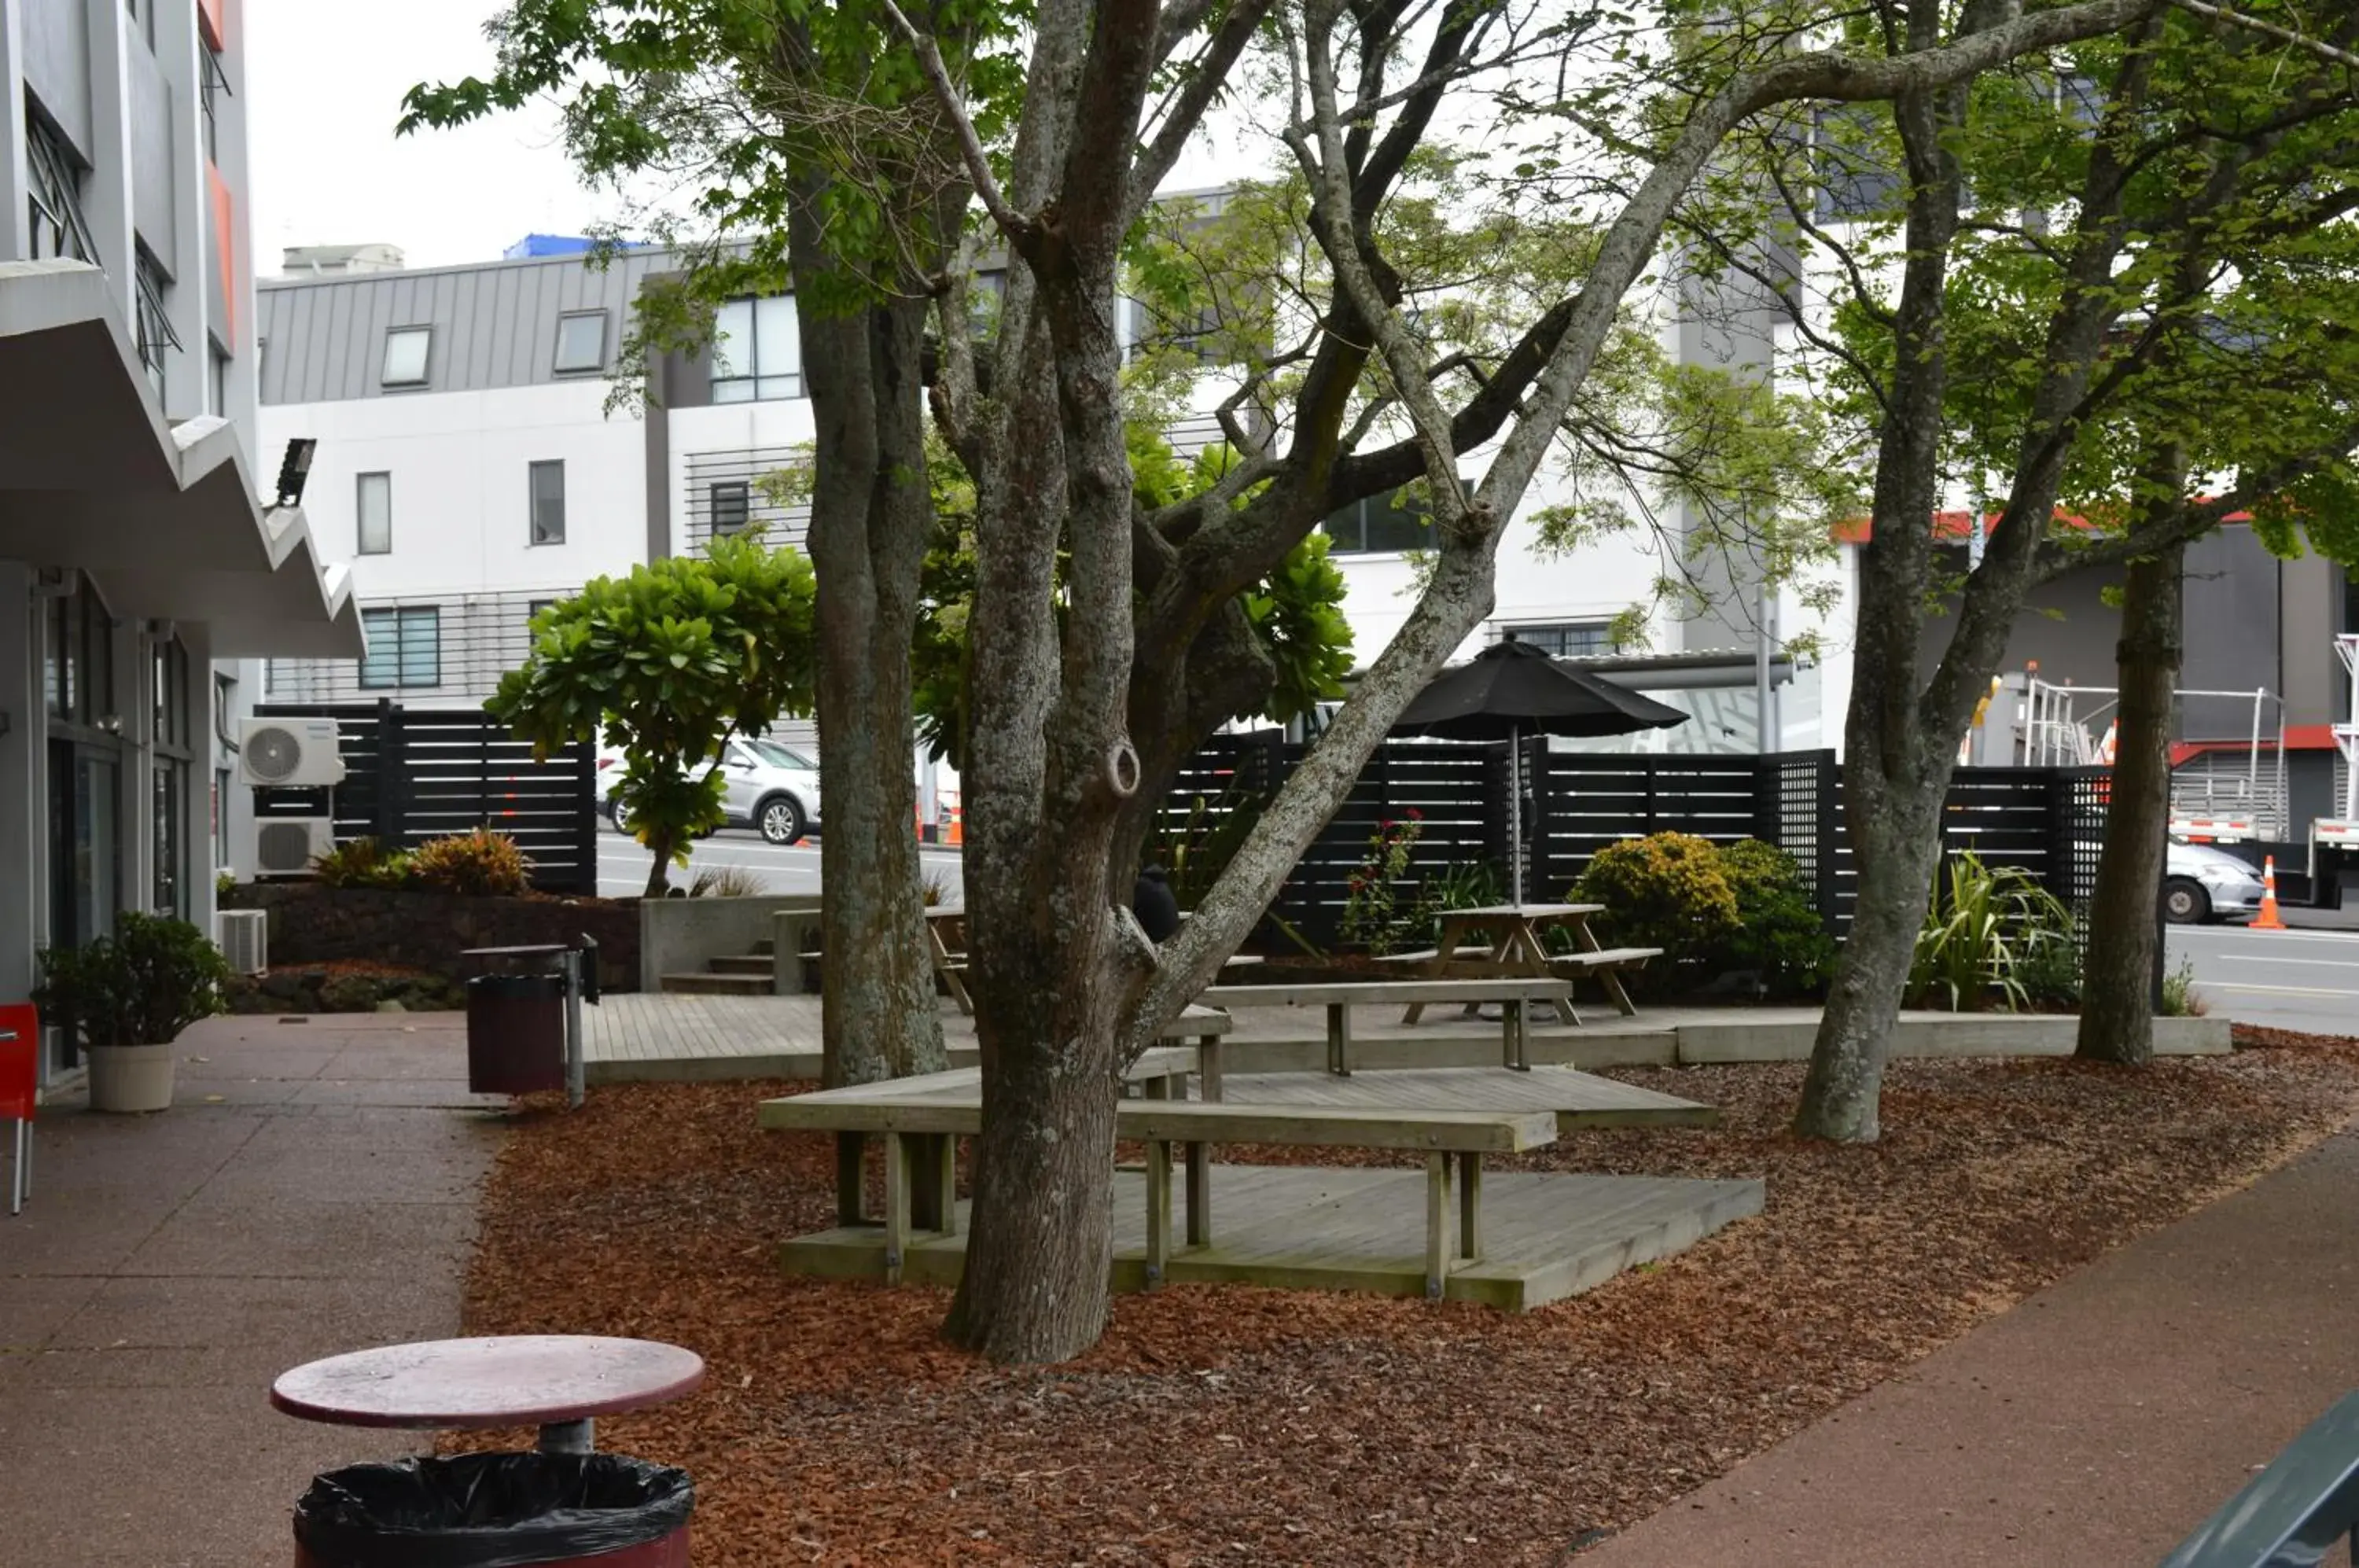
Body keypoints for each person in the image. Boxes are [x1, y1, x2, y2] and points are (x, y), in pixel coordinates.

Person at [1132, 864, 1181, 944]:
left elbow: (1134, 911)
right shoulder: (1164, 886)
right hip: (1169, 938)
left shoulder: (1144, 884)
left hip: (1154, 939)